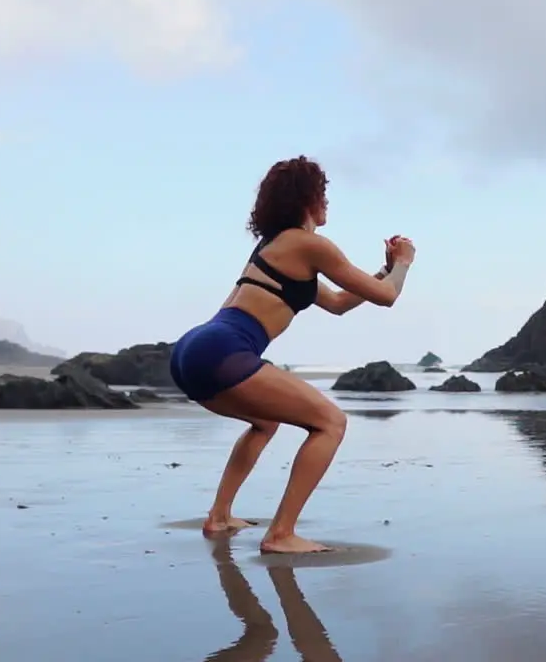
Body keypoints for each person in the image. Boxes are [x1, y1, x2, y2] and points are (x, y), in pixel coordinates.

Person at [168, 155, 416, 553]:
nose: (327, 203)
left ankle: (219, 516)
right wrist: (403, 265)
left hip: (193, 349)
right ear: (308, 198)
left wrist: (386, 270)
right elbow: (387, 298)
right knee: (330, 422)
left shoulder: (277, 248)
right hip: (223, 349)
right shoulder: (309, 244)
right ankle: (281, 534)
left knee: (265, 422)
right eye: (323, 194)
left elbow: (337, 302)